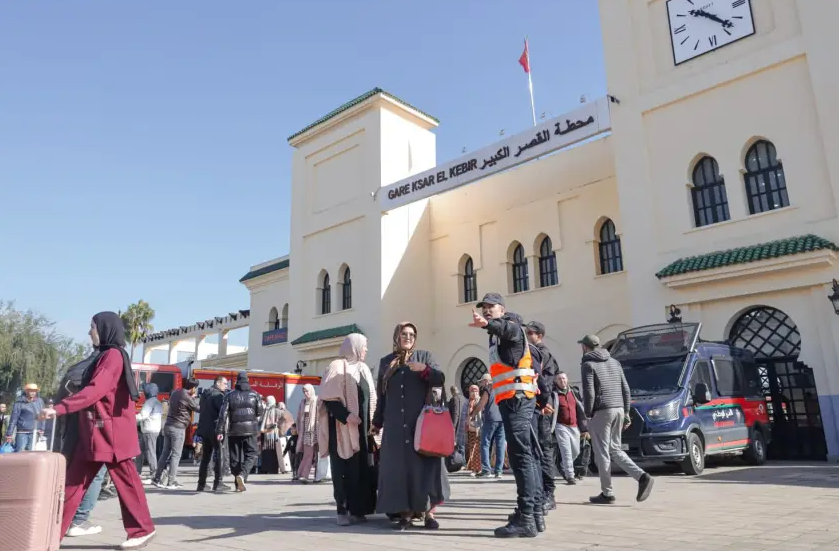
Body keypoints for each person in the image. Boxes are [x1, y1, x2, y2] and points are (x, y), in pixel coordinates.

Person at [39, 311, 155, 550]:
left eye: (92, 327)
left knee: (126, 482)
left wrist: (60, 408)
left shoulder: (112, 356)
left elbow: (95, 390)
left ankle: (142, 530)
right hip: (94, 433)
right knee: (73, 484)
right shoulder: (104, 356)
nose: (89, 332)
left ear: (104, 329)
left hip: (110, 434)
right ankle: (50, 535)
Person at [470, 293, 544, 538]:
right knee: (526, 456)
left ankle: (527, 518)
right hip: (515, 401)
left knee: (521, 457)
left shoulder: (510, 326)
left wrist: (486, 323)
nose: (487, 311)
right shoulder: (497, 336)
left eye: (492, 307)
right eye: (485, 308)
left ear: (502, 309)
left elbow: (508, 329)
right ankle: (533, 514)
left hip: (516, 400)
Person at [372, 321, 449, 531]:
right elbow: (382, 395)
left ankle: (429, 514)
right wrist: (377, 423)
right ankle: (404, 513)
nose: (408, 337)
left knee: (425, 467)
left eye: (412, 335)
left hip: (422, 425)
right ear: (397, 336)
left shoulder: (424, 357)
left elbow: (439, 379)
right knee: (400, 470)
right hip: (396, 425)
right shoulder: (386, 362)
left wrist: (424, 370)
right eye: (404, 334)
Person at [579, 334, 654, 504]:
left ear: (585, 347)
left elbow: (589, 392)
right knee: (615, 449)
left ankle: (607, 493)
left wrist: (588, 413)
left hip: (602, 411)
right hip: (619, 408)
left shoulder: (587, 364)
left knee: (602, 453)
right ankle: (642, 476)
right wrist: (626, 412)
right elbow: (626, 389)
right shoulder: (615, 362)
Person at [318, 333, 379, 526]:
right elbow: (328, 399)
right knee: (343, 469)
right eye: (364, 346)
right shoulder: (337, 366)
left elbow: (371, 399)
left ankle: (359, 509)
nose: (366, 350)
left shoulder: (364, 370)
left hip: (363, 431)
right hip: (342, 429)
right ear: (354, 346)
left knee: (362, 469)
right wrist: (346, 416)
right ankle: (342, 509)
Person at [525, 321, 560, 511]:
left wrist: (543, 402)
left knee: (543, 449)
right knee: (538, 449)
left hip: (542, 407)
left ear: (539, 335)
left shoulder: (542, 353)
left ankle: (549, 493)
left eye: (530, 333)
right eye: (526, 332)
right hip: (538, 405)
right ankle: (541, 492)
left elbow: (544, 381)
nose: (527, 335)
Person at [216, 371, 263, 492]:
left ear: (236, 381)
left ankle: (237, 483)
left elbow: (223, 414)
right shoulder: (255, 395)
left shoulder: (229, 395)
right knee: (252, 453)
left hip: (234, 430)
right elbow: (259, 412)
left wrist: (220, 431)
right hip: (250, 430)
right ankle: (242, 475)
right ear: (247, 381)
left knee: (234, 457)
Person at [152, 378, 199, 490]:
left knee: (165, 453)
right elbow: (197, 408)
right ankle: (171, 481)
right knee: (176, 455)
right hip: (178, 428)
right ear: (193, 388)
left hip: (168, 425)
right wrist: (195, 398)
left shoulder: (175, 392)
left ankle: (157, 478)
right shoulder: (187, 396)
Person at [550, 372, 588, 484]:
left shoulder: (574, 392)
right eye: (560, 379)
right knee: (566, 451)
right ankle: (570, 476)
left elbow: (580, 410)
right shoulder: (554, 394)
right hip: (561, 426)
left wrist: (584, 427)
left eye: (564, 378)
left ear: (567, 380)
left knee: (576, 451)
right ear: (556, 381)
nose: (562, 381)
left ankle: (563, 465)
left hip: (574, 426)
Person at [469, 373, 506, 478]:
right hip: (502, 419)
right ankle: (499, 471)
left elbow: (481, 404)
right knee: (500, 445)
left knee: (485, 443)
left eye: (481, 382)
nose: (481, 385)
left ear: (486, 381)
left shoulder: (489, 389)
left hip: (491, 419)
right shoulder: (501, 388)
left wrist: (471, 416)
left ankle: (486, 470)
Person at [196, 375, 229, 492]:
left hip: (205, 428)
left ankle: (201, 484)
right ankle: (218, 482)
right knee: (220, 454)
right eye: (225, 384)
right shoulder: (218, 395)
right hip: (215, 429)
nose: (226, 386)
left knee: (206, 457)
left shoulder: (205, 394)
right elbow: (222, 413)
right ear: (218, 383)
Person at [5, 383, 45, 452]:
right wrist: (9, 434)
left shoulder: (39, 401)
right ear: (26, 391)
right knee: (19, 453)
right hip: (22, 433)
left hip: (35, 432)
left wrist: (42, 429)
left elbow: (43, 416)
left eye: (35, 391)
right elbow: (14, 419)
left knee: (31, 453)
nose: (33, 392)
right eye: (31, 390)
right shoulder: (19, 402)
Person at [259, 395, 294, 474]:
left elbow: (288, 418)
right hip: (269, 435)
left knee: (271, 451)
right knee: (270, 451)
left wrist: (281, 427)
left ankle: (270, 469)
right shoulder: (268, 410)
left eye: (268, 401)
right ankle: (269, 469)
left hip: (271, 434)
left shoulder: (274, 410)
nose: (267, 402)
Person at [135, 383, 162, 483]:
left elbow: (142, 416)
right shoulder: (157, 402)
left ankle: (153, 474)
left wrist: (130, 420)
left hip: (148, 430)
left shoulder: (149, 403)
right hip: (152, 430)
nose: (143, 392)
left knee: (150, 452)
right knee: (140, 451)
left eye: (145, 390)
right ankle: (137, 471)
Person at [295, 384, 319, 482]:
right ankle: (303, 474)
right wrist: (299, 430)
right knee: (308, 454)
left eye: (307, 391)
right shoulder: (303, 403)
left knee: (319, 455)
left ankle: (318, 476)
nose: (306, 393)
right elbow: (298, 418)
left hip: (317, 431)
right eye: (304, 391)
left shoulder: (317, 401)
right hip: (306, 433)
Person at [465, 385, 483, 474]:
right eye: (472, 391)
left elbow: (481, 415)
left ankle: (479, 468)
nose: (474, 393)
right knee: (472, 448)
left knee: (478, 449)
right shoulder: (468, 402)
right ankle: (473, 468)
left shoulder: (480, 400)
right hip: (470, 428)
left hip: (478, 427)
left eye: (476, 391)